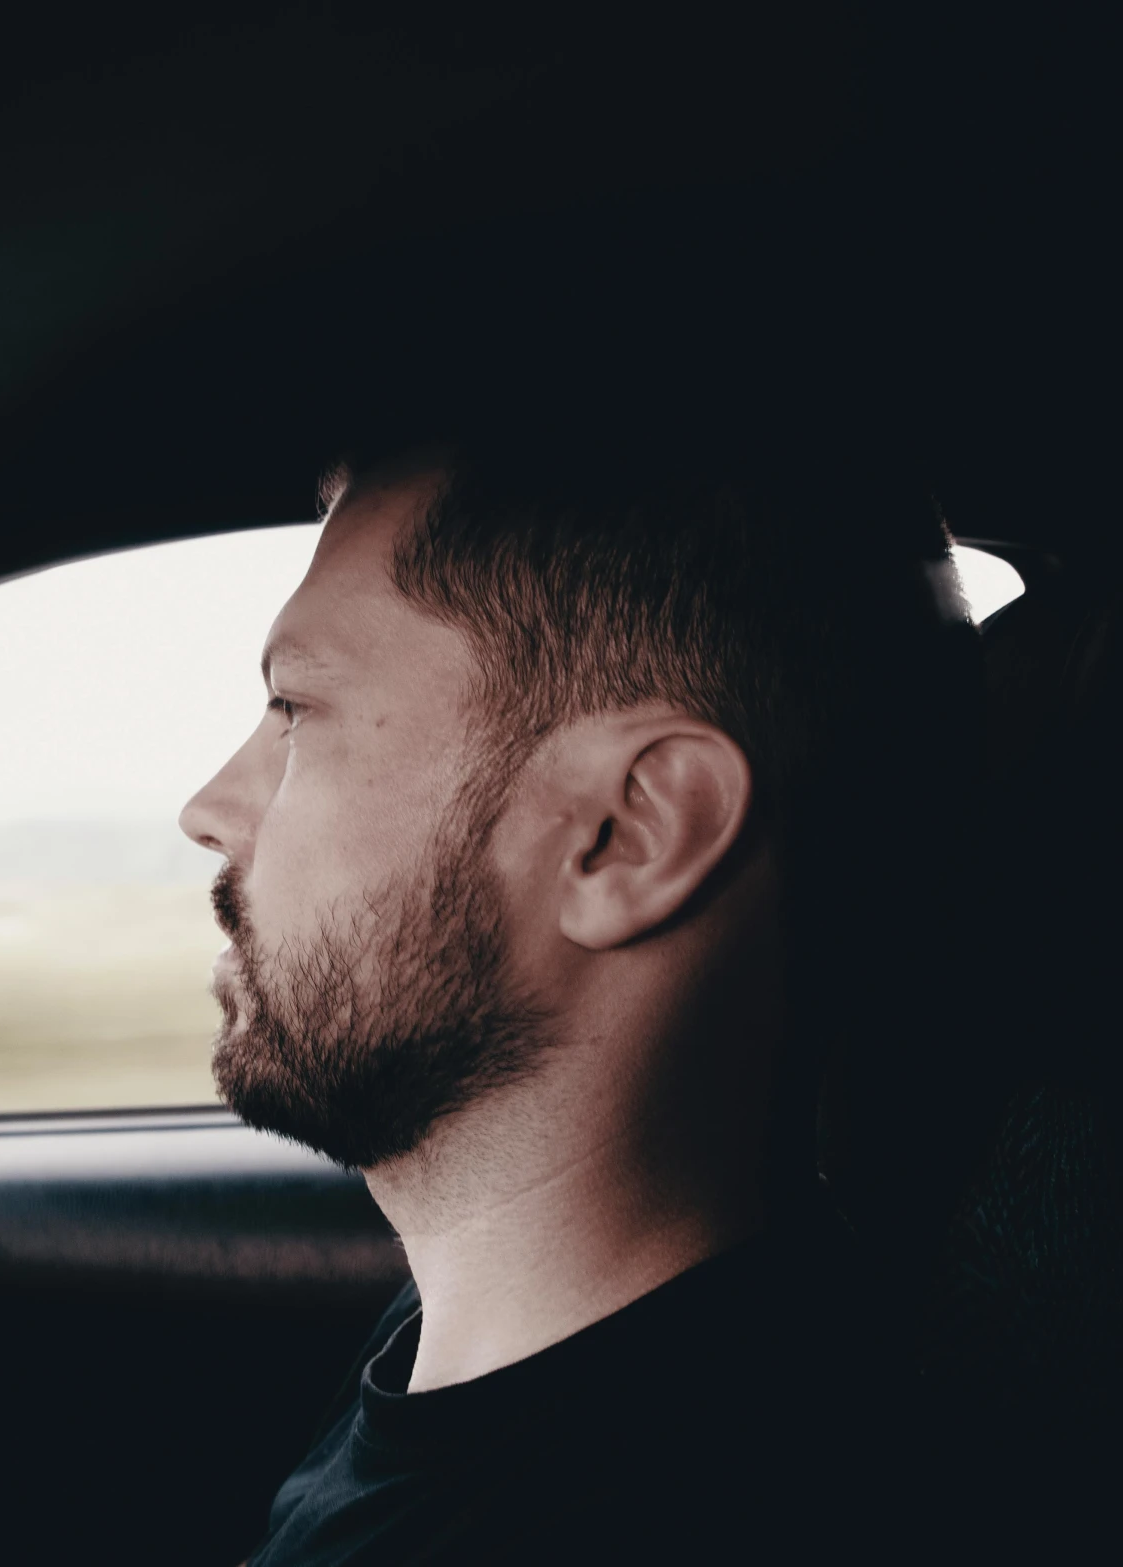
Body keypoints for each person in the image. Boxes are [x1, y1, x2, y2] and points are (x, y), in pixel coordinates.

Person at [179, 438, 980, 1562]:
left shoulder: (681, 1509)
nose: (208, 808)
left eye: (295, 709)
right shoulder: (488, 1344)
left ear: (627, 834)